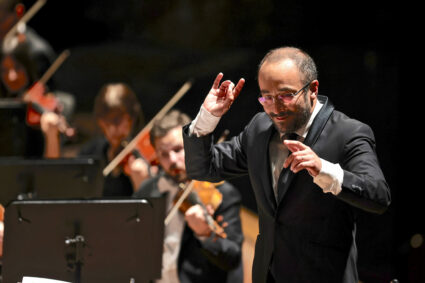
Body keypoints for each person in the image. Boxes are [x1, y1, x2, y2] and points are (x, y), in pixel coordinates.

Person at [182, 46, 391, 283]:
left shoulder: (348, 133)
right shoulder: (259, 128)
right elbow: (204, 168)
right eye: (266, 97)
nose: (275, 108)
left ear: (313, 89)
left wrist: (324, 169)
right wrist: (208, 117)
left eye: (286, 95)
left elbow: (379, 195)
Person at [133, 109, 243, 283]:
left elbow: (232, 258)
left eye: (178, 150)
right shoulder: (148, 191)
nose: (173, 160)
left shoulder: (222, 194)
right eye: (164, 154)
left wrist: (205, 233)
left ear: (192, 146)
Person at [79, 82, 152, 197]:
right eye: (106, 123)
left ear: (131, 118)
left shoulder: (146, 157)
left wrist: (141, 181)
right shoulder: (89, 153)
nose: (112, 130)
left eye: (117, 122)